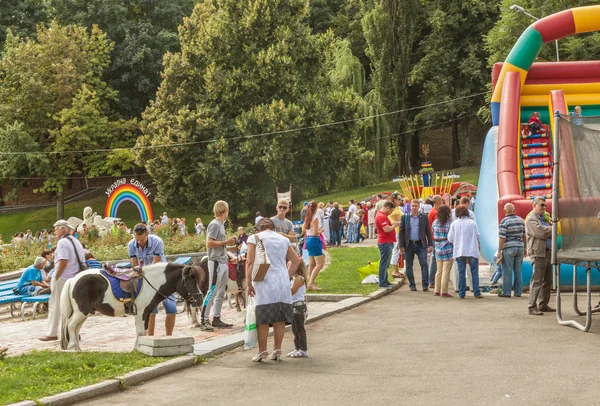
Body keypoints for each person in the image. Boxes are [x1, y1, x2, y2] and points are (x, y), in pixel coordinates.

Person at [246, 218, 301, 362]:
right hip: (282, 282)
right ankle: (277, 349)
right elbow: (296, 261)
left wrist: (248, 283)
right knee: (280, 318)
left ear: (259, 228)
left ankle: (262, 350)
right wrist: (286, 275)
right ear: (273, 227)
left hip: (264, 281)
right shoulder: (283, 239)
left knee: (263, 319)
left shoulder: (255, 238)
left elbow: (250, 262)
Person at [39, 220, 85, 341]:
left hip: (64, 278)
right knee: (71, 307)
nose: (54, 232)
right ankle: (73, 332)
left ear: (63, 229)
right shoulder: (76, 241)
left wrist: (56, 277)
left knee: (55, 305)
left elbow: (63, 261)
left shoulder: (63, 243)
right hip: (75, 277)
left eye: (56, 229)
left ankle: (52, 332)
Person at [128, 223, 176, 335]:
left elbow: (155, 264)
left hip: (162, 277)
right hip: (145, 279)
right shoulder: (131, 245)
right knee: (150, 311)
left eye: (142, 240)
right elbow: (135, 266)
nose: (140, 243)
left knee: (171, 308)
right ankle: (150, 337)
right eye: (137, 240)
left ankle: (169, 337)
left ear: (147, 234)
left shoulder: (157, 242)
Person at [201, 201, 238, 330]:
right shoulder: (215, 224)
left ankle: (216, 318)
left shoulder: (220, 225)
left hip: (222, 261)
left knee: (221, 291)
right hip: (215, 262)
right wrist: (226, 241)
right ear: (224, 210)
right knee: (212, 290)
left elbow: (218, 244)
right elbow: (209, 243)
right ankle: (204, 319)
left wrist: (230, 246)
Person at [525, 197, 554, 315]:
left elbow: (546, 230)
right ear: (534, 205)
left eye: (545, 205)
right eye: (541, 205)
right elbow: (541, 232)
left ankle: (543, 304)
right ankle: (532, 306)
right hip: (538, 253)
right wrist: (552, 229)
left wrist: (549, 228)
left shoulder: (544, 219)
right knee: (537, 280)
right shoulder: (530, 219)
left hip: (548, 252)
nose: (544, 207)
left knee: (548, 281)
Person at [448, 206, 483, 299]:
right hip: (472, 249)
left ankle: (462, 293)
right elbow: (478, 236)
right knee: (474, 272)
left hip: (459, 250)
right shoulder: (472, 223)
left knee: (461, 272)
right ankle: (476, 292)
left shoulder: (454, 224)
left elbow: (450, 238)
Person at [398, 199, 434, 291]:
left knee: (424, 264)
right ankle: (412, 285)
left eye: (416, 206)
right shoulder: (405, 217)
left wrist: (430, 244)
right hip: (408, 244)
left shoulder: (424, 217)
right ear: (410, 206)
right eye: (412, 206)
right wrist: (401, 245)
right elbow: (401, 232)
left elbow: (428, 231)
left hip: (420, 244)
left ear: (419, 207)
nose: (414, 208)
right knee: (409, 266)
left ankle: (425, 284)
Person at [497, 203, 526, 298]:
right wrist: (525, 247)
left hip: (509, 248)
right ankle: (518, 292)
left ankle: (506, 292)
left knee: (507, 271)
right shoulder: (521, 220)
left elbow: (502, 238)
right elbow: (524, 235)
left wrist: (499, 250)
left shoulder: (504, 221)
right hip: (520, 247)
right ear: (514, 210)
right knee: (518, 271)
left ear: (504, 211)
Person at [376, 201, 400, 289]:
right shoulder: (381, 216)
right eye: (391, 210)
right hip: (385, 242)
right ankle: (382, 282)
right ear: (387, 208)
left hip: (386, 241)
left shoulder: (382, 215)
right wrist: (395, 225)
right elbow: (386, 229)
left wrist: (392, 224)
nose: (391, 212)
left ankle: (385, 280)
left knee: (385, 263)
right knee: (384, 263)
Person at [288, 259, 308, 358]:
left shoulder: (299, 279)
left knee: (300, 328)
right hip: (293, 305)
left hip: (298, 306)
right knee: (294, 328)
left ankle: (303, 349)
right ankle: (297, 347)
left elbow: (292, 291)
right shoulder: (292, 279)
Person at [303, 201, 325, 291]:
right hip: (315, 240)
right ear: (316, 208)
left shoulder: (307, 217)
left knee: (312, 263)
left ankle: (308, 282)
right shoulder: (315, 217)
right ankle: (311, 283)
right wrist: (321, 230)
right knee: (320, 264)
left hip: (308, 239)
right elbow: (316, 232)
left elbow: (304, 229)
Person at [432, 205, 453, 297]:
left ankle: (437, 290)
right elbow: (452, 237)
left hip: (437, 247)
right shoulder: (449, 223)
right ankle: (444, 291)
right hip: (448, 247)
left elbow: (433, 232)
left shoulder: (435, 222)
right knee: (446, 271)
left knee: (439, 270)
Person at [428, 195, 444, 289]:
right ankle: (432, 281)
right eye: (441, 200)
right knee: (435, 260)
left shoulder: (432, 211)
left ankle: (432, 280)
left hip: (434, 238)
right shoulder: (435, 213)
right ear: (438, 202)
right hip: (436, 238)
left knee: (434, 259)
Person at [388, 193, 404, 278]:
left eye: (401, 199)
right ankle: (394, 270)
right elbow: (397, 219)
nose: (400, 201)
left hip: (398, 231)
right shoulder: (394, 210)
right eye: (399, 199)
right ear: (394, 200)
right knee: (396, 250)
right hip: (396, 231)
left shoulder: (396, 208)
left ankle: (396, 269)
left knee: (397, 250)